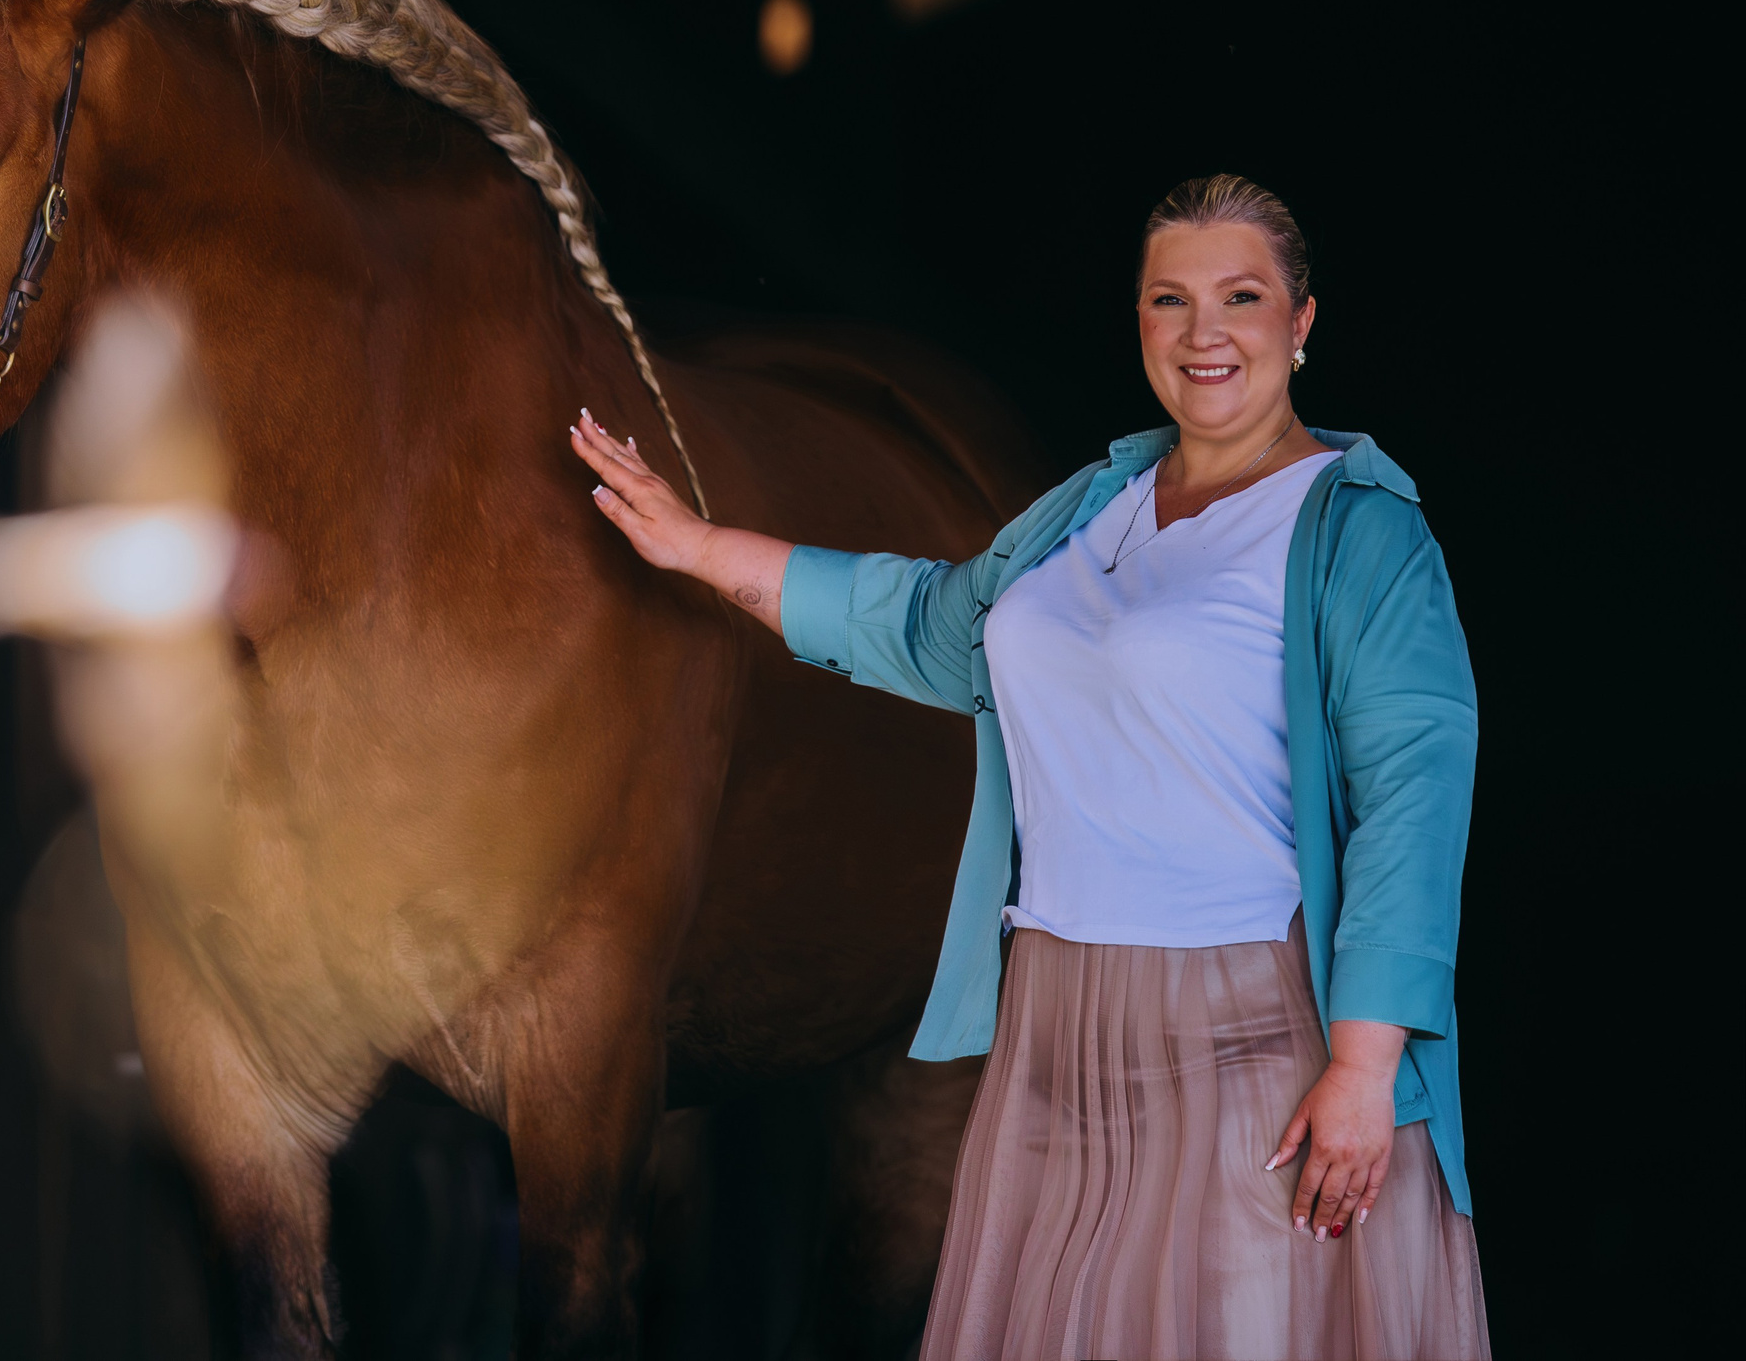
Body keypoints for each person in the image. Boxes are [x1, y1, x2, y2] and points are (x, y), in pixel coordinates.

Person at [573, 175, 1490, 1359]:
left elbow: (1416, 792)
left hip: (1252, 1032)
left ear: (1301, 324)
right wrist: (699, 547)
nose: (1204, 333)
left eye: (1241, 297)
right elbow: (924, 623)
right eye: (1170, 300)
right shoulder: (1090, 509)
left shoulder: (1357, 529)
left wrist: (1366, 1064)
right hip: (1053, 1030)